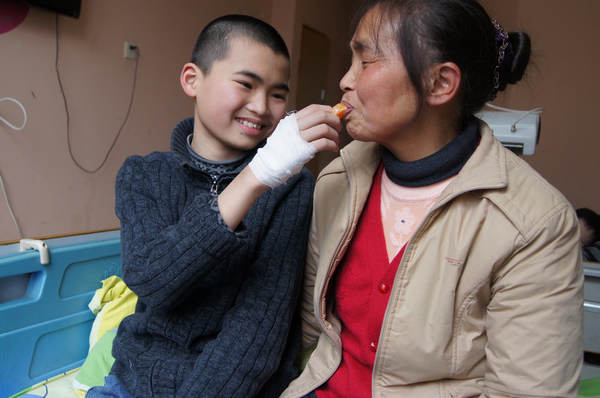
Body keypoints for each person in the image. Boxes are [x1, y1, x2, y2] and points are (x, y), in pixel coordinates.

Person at [281, 0, 583, 397]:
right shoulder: (337, 179)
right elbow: (306, 329)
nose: (345, 80)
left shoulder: (534, 223)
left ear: (440, 84)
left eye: (366, 61)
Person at [86, 14, 341, 398]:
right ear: (193, 80)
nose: (261, 106)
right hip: (134, 382)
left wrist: (268, 176)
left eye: (277, 93)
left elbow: (257, 332)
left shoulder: (293, 188)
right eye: (245, 84)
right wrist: (258, 175)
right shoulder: (144, 175)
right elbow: (154, 283)